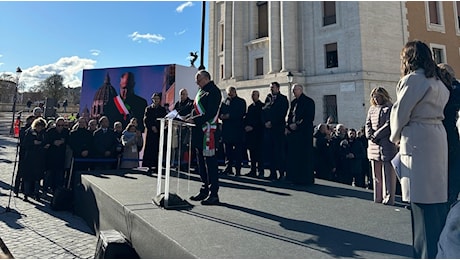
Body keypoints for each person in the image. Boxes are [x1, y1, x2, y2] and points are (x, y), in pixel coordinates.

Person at [389, 40, 450, 259]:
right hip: (437, 136)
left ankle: (424, 254)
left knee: (421, 204)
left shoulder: (412, 80)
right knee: (436, 201)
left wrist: (394, 135)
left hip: (418, 138)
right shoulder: (438, 81)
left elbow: (400, 113)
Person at [185, 70, 222, 205]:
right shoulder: (201, 92)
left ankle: (214, 193)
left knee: (210, 163)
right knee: (201, 162)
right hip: (199, 132)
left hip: (209, 132)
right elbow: (195, 109)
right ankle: (204, 189)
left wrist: (195, 120)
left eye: (198, 81)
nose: (197, 83)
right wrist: (186, 117)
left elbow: (211, 112)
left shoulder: (213, 91)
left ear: (206, 79)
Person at [365, 87, 397, 205]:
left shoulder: (390, 107)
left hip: (386, 143)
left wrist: (377, 135)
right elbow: (367, 123)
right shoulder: (371, 109)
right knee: (376, 174)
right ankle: (378, 196)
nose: (376, 99)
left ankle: (389, 197)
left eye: (378, 96)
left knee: (388, 173)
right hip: (373, 144)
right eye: (374, 97)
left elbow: (389, 124)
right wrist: (369, 135)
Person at [437, 63, 460, 208]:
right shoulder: (454, 89)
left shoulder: (437, 88)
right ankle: (451, 197)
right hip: (450, 131)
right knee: (453, 165)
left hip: (438, 130)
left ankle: (444, 197)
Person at [285, 83, 315, 185]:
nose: (293, 92)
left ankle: (304, 179)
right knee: (294, 156)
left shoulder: (309, 102)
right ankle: (294, 177)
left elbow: (309, 117)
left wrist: (297, 125)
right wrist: (288, 126)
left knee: (304, 156)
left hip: (304, 133)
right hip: (293, 134)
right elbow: (289, 116)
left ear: (301, 90)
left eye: (295, 90)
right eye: (293, 90)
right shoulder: (293, 102)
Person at [262, 82, 289, 180]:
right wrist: (265, 122)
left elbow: (282, 113)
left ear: (278, 88)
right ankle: (272, 173)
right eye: (270, 88)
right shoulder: (268, 98)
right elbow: (263, 110)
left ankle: (282, 173)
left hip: (278, 129)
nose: (271, 89)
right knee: (270, 152)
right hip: (268, 130)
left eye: (272, 87)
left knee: (279, 152)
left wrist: (272, 122)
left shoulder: (283, 99)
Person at [219, 86, 247, 176]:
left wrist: (229, 116)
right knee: (227, 151)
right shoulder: (224, 102)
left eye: (231, 93)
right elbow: (220, 113)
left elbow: (241, 113)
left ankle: (238, 169)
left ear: (235, 92)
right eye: (228, 93)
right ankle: (228, 167)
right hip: (227, 130)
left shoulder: (241, 102)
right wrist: (222, 116)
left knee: (238, 151)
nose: (229, 95)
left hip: (237, 130)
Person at [21, 117, 48, 202]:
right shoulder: (29, 132)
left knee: (37, 178)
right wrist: (34, 143)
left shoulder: (44, 134)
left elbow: (46, 143)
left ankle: (37, 193)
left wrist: (40, 144)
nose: (39, 128)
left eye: (41, 127)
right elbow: (25, 144)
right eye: (38, 126)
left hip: (40, 158)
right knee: (27, 177)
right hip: (30, 158)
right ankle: (26, 193)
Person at [44, 117, 69, 194]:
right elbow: (46, 141)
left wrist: (63, 142)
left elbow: (69, 141)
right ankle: (45, 190)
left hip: (61, 157)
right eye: (58, 125)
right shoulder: (50, 131)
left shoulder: (66, 132)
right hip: (51, 157)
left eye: (62, 125)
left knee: (59, 176)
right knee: (48, 175)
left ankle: (57, 192)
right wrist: (53, 142)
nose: (60, 127)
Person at [142, 93, 167, 171]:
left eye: (157, 99)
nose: (156, 100)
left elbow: (164, 119)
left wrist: (158, 127)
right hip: (151, 132)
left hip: (159, 132)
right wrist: (152, 126)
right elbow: (146, 120)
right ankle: (148, 165)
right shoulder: (148, 109)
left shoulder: (162, 109)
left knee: (158, 149)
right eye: (154, 99)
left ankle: (157, 166)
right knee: (149, 149)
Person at [243, 90, 265, 178]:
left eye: (254, 95)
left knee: (259, 153)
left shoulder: (262, 106)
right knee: (252, 153)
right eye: (252, 95)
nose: (253, 96)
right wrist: (246, 126)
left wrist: (253, 126)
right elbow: (247, 118)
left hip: (258, 133)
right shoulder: (250, 107)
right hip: (250, 134)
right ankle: (253, 170)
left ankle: (260, 171)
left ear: (258, 96)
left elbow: (261, 120)